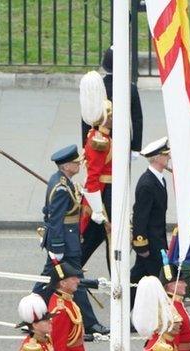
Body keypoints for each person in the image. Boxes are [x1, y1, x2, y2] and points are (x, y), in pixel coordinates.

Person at [34, 144, 107, 337]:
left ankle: (33, 311)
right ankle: (91, 324)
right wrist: (57, 245)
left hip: (68, 237)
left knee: (49, 278)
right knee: (75, 279)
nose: (79, 165)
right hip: (65, 242)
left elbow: (49, 211)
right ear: (66, 166)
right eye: (75, 163)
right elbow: (55, 218)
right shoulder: (60, 187)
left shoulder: (63, 182)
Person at [78, 71, 114, 273]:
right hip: (104, 193)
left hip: (106, 191)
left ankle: (71, 269)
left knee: (93, 239)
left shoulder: (100, 136)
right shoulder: (99, 141)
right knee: (113, 238)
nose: (111, 118)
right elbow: (94, 176)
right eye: (109, 115)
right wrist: (97, 208)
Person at [130, 137, 171, 303]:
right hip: (151, 243)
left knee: (138, 278)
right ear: (157, 158)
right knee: (163, 280)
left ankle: (124, 312)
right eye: (165, 155)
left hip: (157, 240)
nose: (168, 157)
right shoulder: (147, 184)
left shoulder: (159, 179)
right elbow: (140, 217)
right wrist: (141, 245)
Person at [80, 46, 143, 152]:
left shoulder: (95, 88)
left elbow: (87, 116)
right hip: (122, 142)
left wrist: (85, 144)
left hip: (97, 141)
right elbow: (136, 120)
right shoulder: (130, 89)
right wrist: (135, 147)